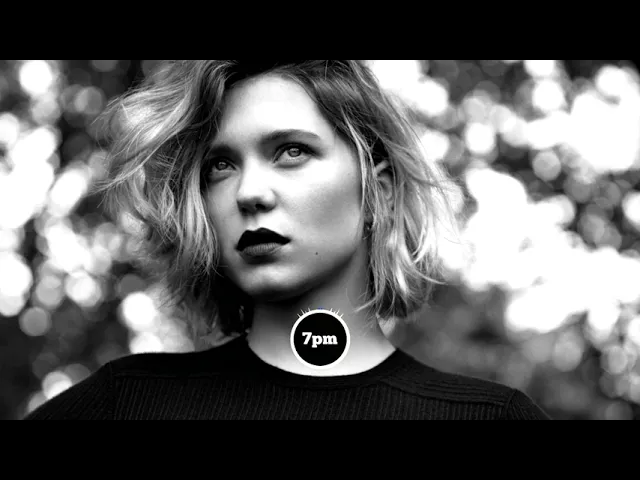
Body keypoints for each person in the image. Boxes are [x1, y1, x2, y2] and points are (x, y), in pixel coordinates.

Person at [25, 60, 550, 420]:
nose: (249, 192)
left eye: (291, 152)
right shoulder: (125, 404)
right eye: (220, 165)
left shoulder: (490, 417)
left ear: (380, 192)